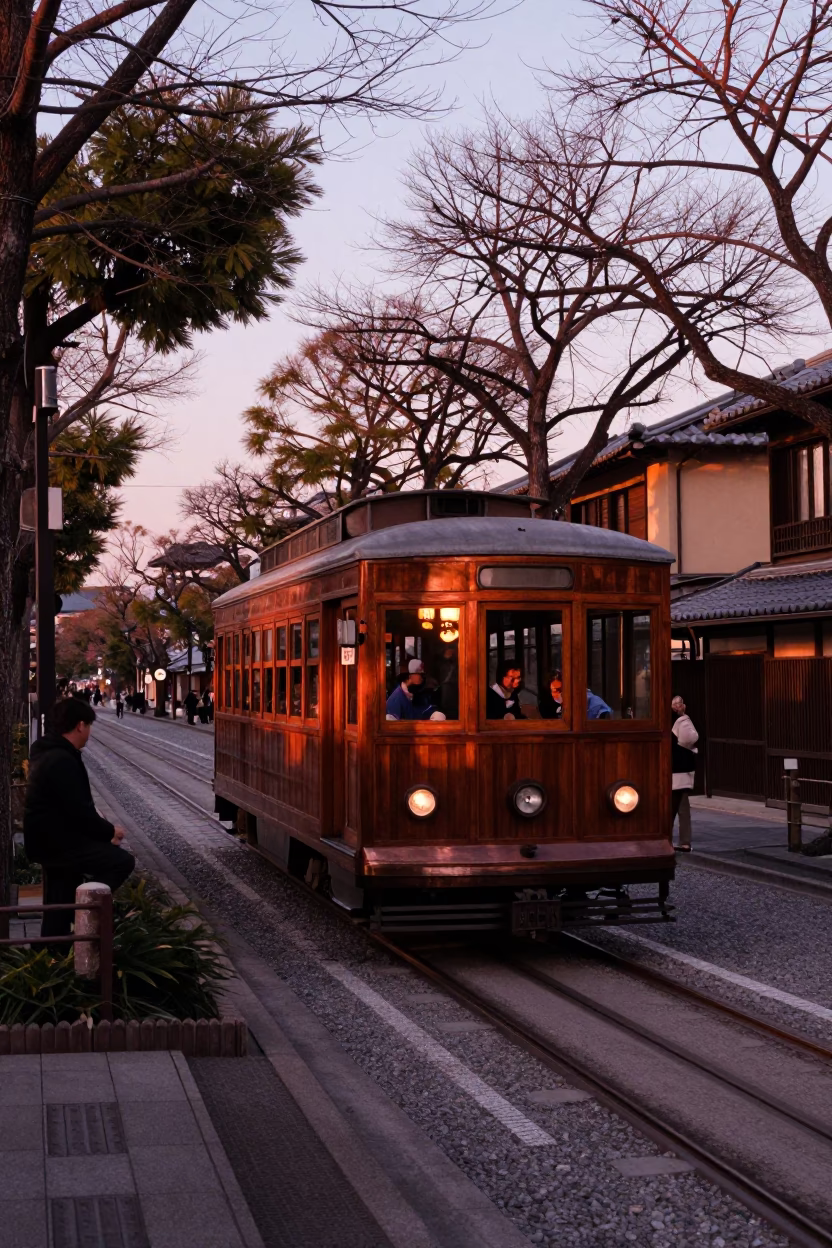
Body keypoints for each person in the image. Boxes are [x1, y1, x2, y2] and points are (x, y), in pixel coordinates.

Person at [23, 698, 135, 942]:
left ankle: (53, 952)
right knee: (121, 861)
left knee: (58, 901)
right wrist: (109, 833)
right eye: (90, 726)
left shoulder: (50, 751)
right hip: (57, 842)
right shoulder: (61, 759)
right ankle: (87, 910)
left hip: (47, 839)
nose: (90, 732)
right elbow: (79, 811)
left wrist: (103, 832)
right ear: (81, 725)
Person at [671, 694, 698, 852]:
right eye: (678, 704)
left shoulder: (676, 721)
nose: (679, 707)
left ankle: (671, 840)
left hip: (675, 771)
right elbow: (690, 738)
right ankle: (685, 842)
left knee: (674, 809)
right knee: (682, 810)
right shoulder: (682, 721)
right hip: (682, 771)